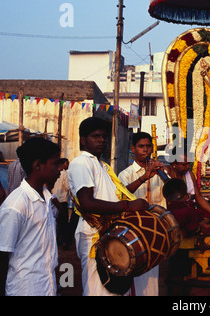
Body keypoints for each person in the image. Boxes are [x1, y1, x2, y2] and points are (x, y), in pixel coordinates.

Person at [67, 117, 149, 296]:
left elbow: (114, 194)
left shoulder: (101, 165)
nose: (102, 140)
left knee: (114, 289)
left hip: (109, 232)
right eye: (96, 136)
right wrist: (128, 206)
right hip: (94, 233)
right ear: (83, 140)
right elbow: (87, 203)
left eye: (104, 136)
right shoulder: (82, 163)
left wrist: (143, 179)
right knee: (99, 289)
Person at [0, 138, 61, 296]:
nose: (59, 169)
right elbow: (0, 257)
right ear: (37, 165)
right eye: (55, 163)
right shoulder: (16, 206)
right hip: (25, 289)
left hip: (46, 286)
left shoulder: (46, 198)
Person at [118, 132, 167, 296]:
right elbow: (122, 196)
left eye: (148, 146)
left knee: (152, 276)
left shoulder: (160, 172)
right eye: (141, 146)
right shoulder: (125, 174)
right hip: (135, 232)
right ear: (133, 149)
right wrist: (145, 177)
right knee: (135, 275)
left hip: (155, 230)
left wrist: (165, 173)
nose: (145, 150)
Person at [52, 158, 71, 248]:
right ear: (63, 164)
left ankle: (56, 239)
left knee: (56, 220)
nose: (68, 165)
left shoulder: (54, 172)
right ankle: (63, 240)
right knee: (63, 222)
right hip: (62, 200)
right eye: (67, 163)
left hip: (54, 198)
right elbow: (67, 187)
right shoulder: (64, 174)